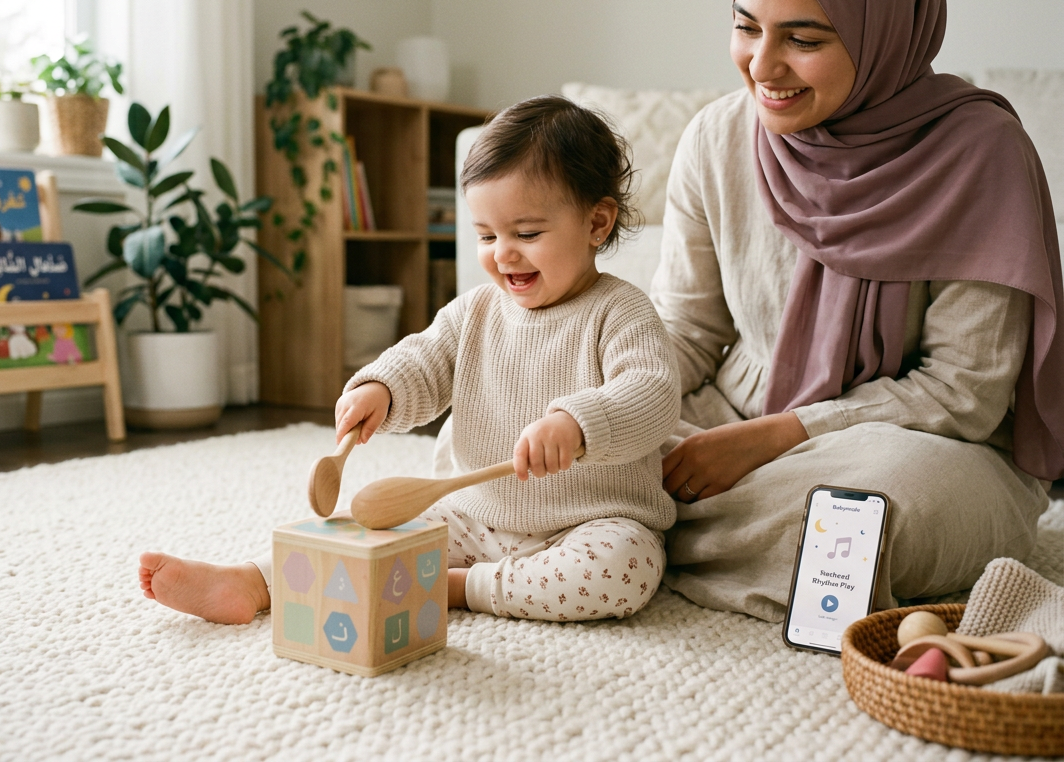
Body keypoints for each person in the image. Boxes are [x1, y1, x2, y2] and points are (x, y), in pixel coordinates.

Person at [650, 0, 1061, 623]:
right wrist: (605, 402)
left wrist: (777, 438)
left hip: (924, 447)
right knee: (533, 428)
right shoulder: (716, 138)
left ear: (884, 30)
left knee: (870, 507)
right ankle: (628, 518)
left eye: (804, 39)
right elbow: (687, 333)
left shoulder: (982, 154)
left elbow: (963, 394)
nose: (762, 67)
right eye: (746, 28)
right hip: (738, 413)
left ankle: (632, 530)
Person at [139, 96, 680, 624]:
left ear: (597, 224)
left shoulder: (622, 311)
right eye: (486, 235)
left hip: (591, 521)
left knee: (623, 568)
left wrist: (578, 422)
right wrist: (382, 389)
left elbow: (652, 393)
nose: (503, 253)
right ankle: (253, 582)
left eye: (527, 234)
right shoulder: (476, 311)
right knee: (370, 527)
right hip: (473, 513)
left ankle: (457, 589)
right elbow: (426, 358)